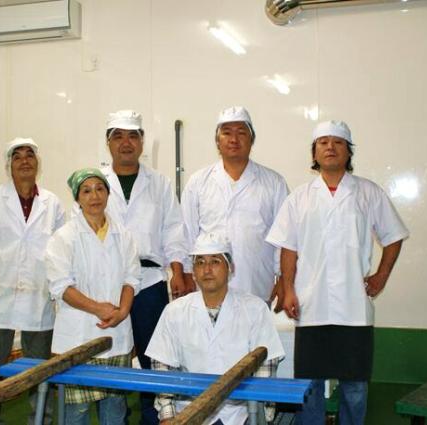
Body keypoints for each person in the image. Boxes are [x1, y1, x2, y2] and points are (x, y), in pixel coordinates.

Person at [265, 120, 409, 425]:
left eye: (338, 142)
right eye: (323, 142)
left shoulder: (368, 193)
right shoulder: (299, 198)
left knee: (355, 386)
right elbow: (288, 248)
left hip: (353, 308)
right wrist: (288, 289)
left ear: (348, 151)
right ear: (314, 153)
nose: (330, 147)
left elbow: (394, 236)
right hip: (311, 305)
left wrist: (381, 276)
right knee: (310, 386)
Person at [100, 110, 189, 424]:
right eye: (118, 136)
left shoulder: (159, 183)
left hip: (150, 282)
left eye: (132, 136)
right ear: (108, 142)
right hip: (107, 282)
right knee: (112, 356)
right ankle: (115, 419)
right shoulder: (95, 182)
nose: (126, 143)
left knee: (155, 356)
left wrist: (178, 271)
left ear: (141, 142)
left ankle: (153, 417)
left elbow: (174, 229)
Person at [0, 137, 66, 423]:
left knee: (40, 368)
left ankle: (41, 420)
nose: (24, 160)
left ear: (38, 163)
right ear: (9, 165)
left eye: (29, 155)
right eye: (17, 156)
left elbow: (61, 248)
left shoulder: (52, 203)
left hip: (38, 295)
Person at [146, 233, 285, 425]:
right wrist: (168, 416)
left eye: (215, 261)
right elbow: (162, 367)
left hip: (241, 413)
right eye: (200, 262)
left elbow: (266, 366)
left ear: (231, 268)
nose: (207, 269)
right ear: (193, 272)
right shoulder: (174, 311)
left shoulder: (255, 309)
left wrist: (261, 417)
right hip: (187, 412)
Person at [45, 168, 141, 425]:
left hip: (117, 334)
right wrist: (98, 309)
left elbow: (132, 278)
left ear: (108, 194)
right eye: (86, 191)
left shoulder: (123, 235)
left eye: (99, 189)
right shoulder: (63, 237)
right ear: (77, 198)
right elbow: (61, 287)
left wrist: (123, 311)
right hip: (78, 337)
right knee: (76, 413)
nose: (94, 196)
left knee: (115, 409)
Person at [181, 106, 288, 306]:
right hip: (208, 288)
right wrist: (187, 272)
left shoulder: (274, 183)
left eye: (241, 133)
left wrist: (283, 278)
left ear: (252, 139)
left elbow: (283, 238)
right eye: (227, 133)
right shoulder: (198, 182)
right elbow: (187, 232)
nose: (233, 139)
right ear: (217, 141)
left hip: (256, 285)